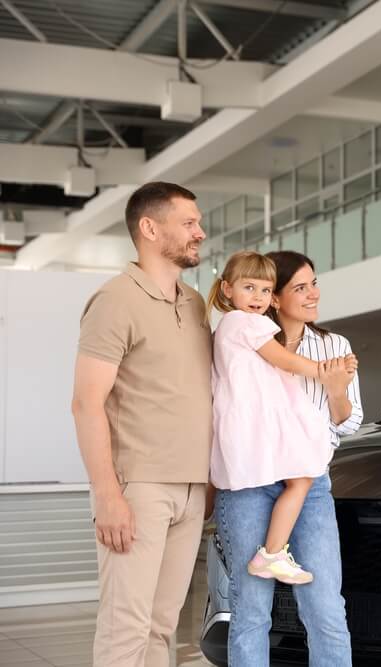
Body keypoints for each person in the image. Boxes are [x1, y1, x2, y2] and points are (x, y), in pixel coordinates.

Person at [72, 182, 212, 666]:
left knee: (161, 627)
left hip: (192, 486)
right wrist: (108, 495)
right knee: (125, 627)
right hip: (139, 486)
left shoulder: (194, 304)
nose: (201, 231)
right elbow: (86, 405)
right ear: (150, 228)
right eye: (189, 222)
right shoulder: (114, 301)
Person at [214, 250, 361, 666]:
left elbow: (348, 422)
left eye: (314, 283)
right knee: (251, 609)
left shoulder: (334, 345)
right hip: (248, 482)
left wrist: (335, 386)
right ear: (276, 299)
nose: (313, 293)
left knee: (325, 607)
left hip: (309, 483)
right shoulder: (247, 333)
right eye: (300, 286)